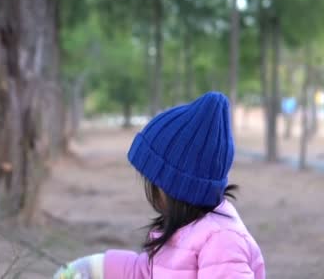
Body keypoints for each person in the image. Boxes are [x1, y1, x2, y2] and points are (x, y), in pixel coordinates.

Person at [53, 92, 265, 279]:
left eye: (154, 183)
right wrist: (92, 268)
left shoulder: (221, 240)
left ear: (172, 187)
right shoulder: (183, 231)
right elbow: (144, 273)